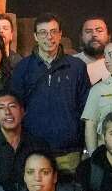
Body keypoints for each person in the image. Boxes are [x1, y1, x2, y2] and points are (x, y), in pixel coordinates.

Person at [9, 14, 91, 173]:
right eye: (43, 32)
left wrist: (86, 148)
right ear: (35, 36)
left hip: (69, 153)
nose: (49, 37)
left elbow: (86, 110)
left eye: (53, 32)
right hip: (33, 153)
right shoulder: (23, 68)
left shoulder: (76, 67)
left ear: (60, 34)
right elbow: (15, 108)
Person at [75, 17, 111, 85]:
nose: (94, 34)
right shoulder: (70, 64)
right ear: (81, 37)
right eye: (88, 31)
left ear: (108, 36)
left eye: (99, 31)